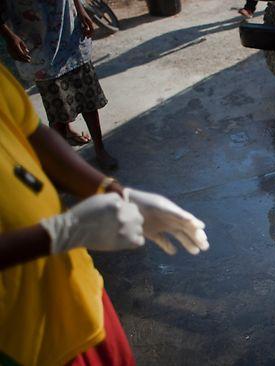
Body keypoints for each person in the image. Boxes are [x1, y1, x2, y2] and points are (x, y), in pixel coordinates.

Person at [0, 64, 209, 365]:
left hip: (81, 297)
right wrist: (59, 233)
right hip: (22, 344)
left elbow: (31, 133)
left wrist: (113, 192)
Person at [0, 0, 118, 170]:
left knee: (87, 92)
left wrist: (80, 9)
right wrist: (9, 36)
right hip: (35, 35)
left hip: (67, 24)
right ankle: (63, 162)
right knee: (57, 106)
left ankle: (100, 148)